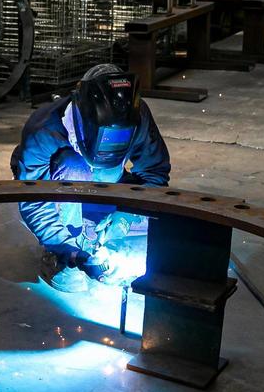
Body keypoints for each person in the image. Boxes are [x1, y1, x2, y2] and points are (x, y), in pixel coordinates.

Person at [10, 64, 171, 292]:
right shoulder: (44, 129)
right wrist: (70, 251)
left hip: (109, 182)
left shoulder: (137, 116)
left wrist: (125, 218)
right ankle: (63, 248)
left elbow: (155, 173)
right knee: (74, 167)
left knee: (164, 224)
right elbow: (34, 202)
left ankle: (97, 230)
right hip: (61, 185)